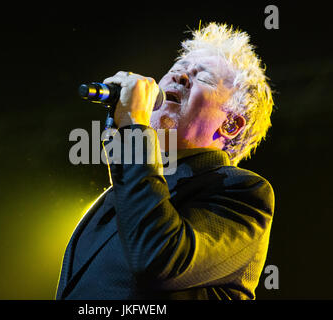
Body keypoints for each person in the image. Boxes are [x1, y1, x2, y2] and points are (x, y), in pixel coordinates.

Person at [56, 22, 275, 300]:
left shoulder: (242, 192)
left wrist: (134, 126)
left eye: (203, 78)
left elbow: (158, 258)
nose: (180, 77)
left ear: (231, 124)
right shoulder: (124, 188)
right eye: (177, 69)